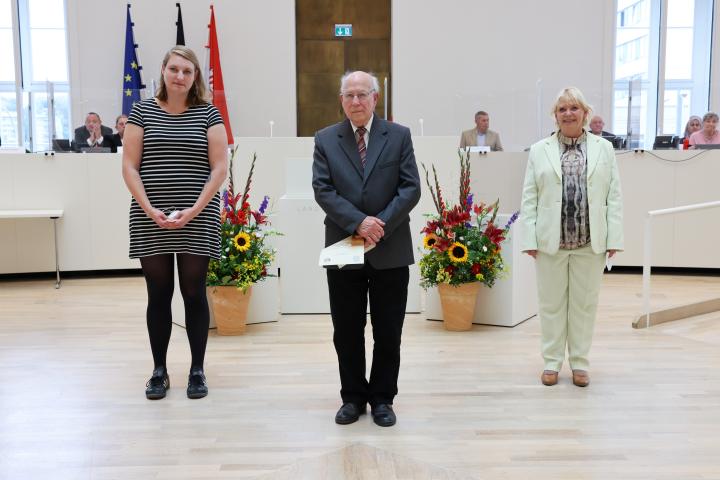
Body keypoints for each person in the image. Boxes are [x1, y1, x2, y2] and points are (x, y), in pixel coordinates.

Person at [312, 71, 421, 427]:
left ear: (375, 98)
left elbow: (410, 188)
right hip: (344, 246)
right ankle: (353, 397)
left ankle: (383, 398)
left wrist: (379, 224)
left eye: (362, 94)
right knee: (346, 330)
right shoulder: (326, 139)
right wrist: (360, 222)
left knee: (389, 331)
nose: (356, 102)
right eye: (349, 95)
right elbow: (323, 190)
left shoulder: (399, 136)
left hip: (390, 249)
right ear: (341, 100)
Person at [122, 45, 228, 400]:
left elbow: (219, 169)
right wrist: (149, 208)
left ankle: (197, 370)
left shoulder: (209, 114)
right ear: (164, 71)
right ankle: (159, 370)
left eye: (187, 71)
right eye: (174, 69)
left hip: (197, 216)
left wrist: (195, 210)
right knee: (159, 294)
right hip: (149, 216)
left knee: (194, 292)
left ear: (195, 76)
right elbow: (130, 167)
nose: (180, 76)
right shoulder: (141, 112)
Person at [519, 87, 623, 388]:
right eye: (562, 109)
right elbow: (529, 197)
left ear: (585, 113)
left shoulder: (604, 148)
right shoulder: (539, 150)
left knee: (584, 305)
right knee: (551, 305)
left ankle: (580, 363)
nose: (568, 113)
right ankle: (551, 362)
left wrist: (614, 237)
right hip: (551, 241)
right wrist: (530, 238)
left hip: (589, 242)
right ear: (555, 115)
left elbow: (614, 196)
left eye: (574, 108)